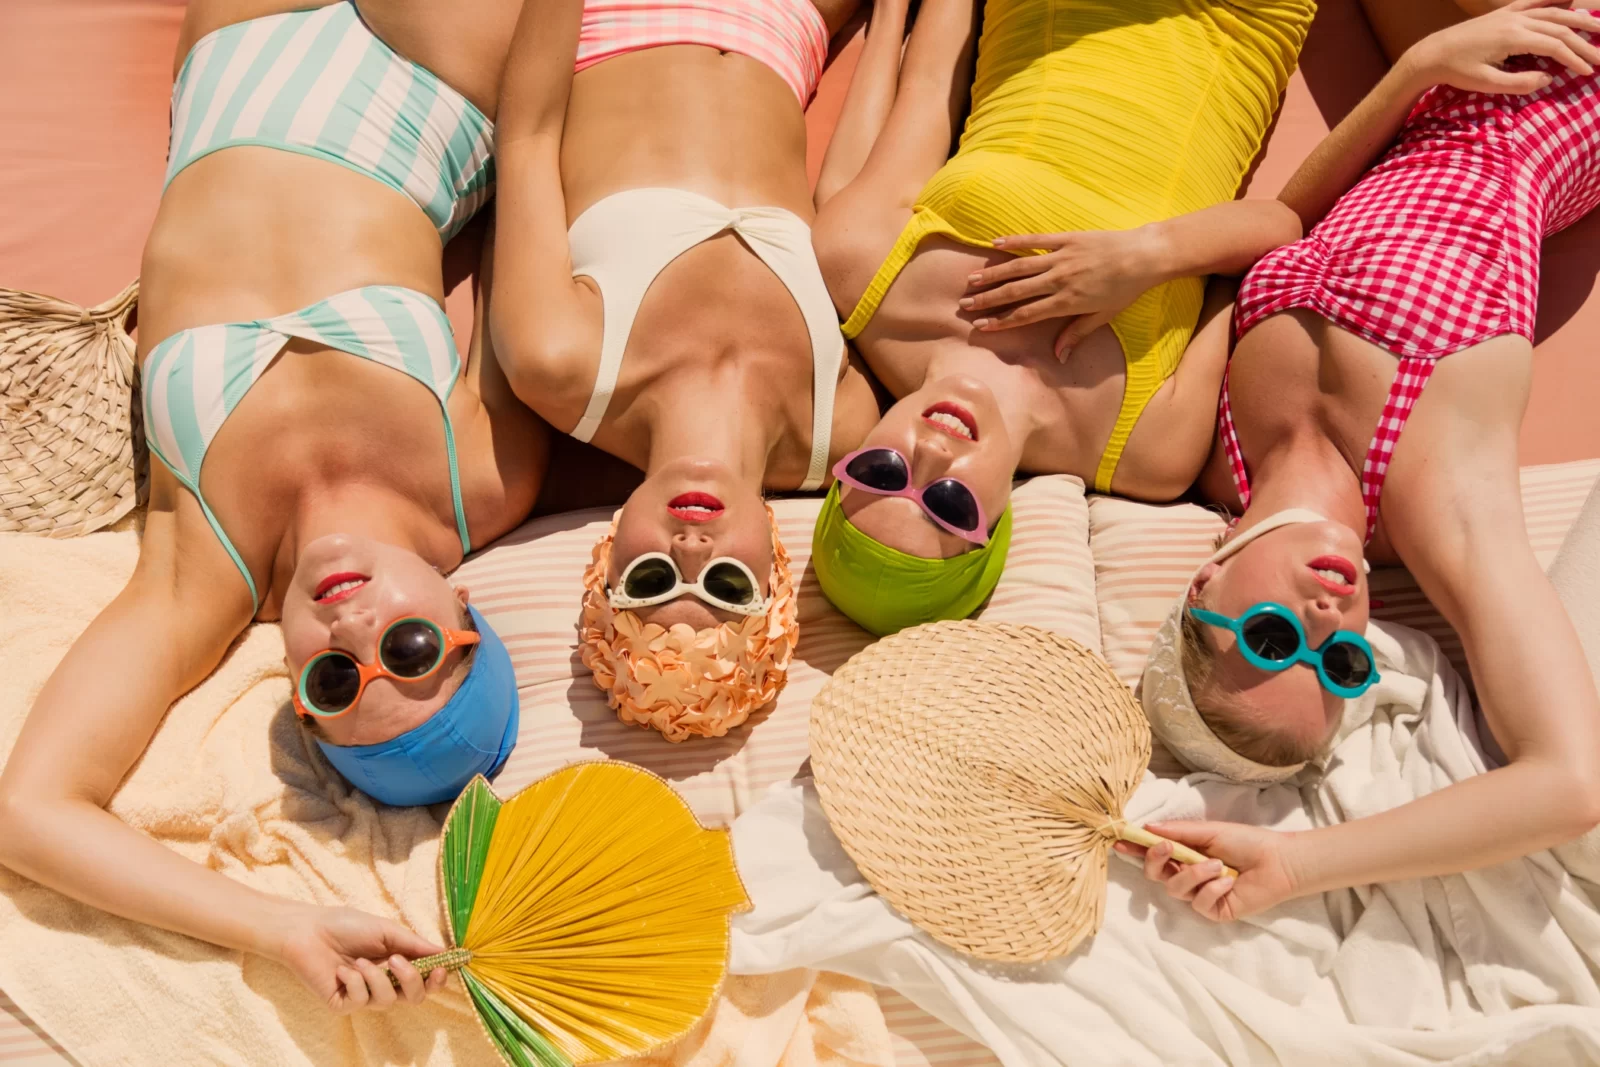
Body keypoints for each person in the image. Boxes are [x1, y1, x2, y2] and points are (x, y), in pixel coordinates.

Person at [0, 0, 548, 1013]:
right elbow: (536, 216)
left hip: (234, 47)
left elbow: (29, 812)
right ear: (466, 620)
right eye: (415, 651)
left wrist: (280, 924)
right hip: (425, 73)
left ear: (297, 689)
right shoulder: (479, 481)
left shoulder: (204, 572)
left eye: (338, 677)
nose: (355, 625)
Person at [1128, 0, 1600, 923]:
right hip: (1570, 65)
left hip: (1434, 71)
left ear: (1203, 585)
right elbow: (1571, 781)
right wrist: (1298, 865)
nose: (1326, 618)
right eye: (1344, 659)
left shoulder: (1211, 455)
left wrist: (1423, 66)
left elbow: (1287, 223)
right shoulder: (1435, 491)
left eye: (1272, 639)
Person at [804, 0, 1316, 636]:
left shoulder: (866, 276)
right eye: (948, 504)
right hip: (1236, 24)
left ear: (847, 463)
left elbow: (935, 80)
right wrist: (1141, 256)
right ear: (995, 528)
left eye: (883, 474)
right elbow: (1279, 231)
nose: (932, 453)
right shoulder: (1148, 452)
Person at [489, 0, 880, 738]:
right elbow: (849, 195)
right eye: (726, 587)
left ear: (603, 558)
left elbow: (528, 139)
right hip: (790, 22)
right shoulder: (845, 425)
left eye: (649, 582)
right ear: (776, 578)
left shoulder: (560, 363)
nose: (690, 551)